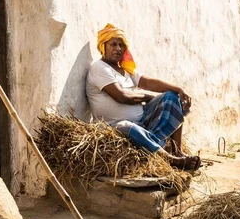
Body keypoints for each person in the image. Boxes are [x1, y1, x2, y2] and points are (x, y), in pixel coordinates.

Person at [86, 23, 201, 170]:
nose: (118, 49)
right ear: (103, 47)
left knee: (172, 98)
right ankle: (169, 159)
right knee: (127, 127)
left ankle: (177, 151)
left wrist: (178, 89)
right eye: (113, 44)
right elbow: (122, 97)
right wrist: (147, 98)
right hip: (115, 125)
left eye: (121, 45)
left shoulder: (125, 69)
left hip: (143, 119)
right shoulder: (99, 68)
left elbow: (147, 82)